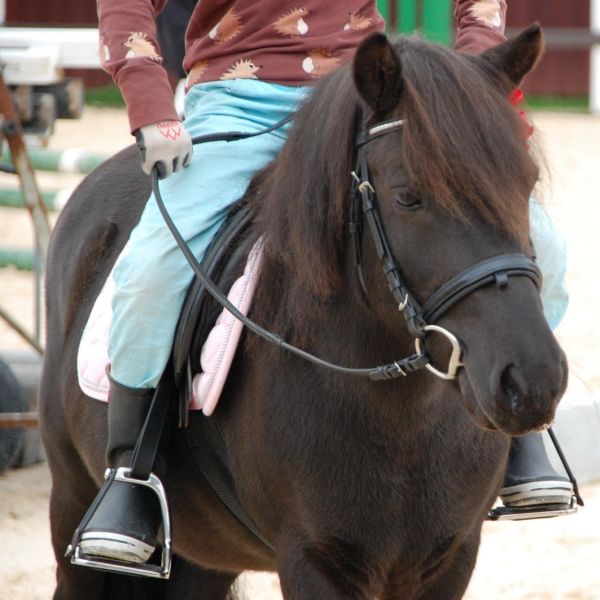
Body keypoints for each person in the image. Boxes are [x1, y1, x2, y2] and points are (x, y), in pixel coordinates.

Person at [78, 0, 573, 568]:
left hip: (371, 99)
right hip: (240, 100)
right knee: (154, 266)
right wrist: (148, 100)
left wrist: (471, 79)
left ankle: (521, 425)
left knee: (544, 243)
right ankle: (131, 472)